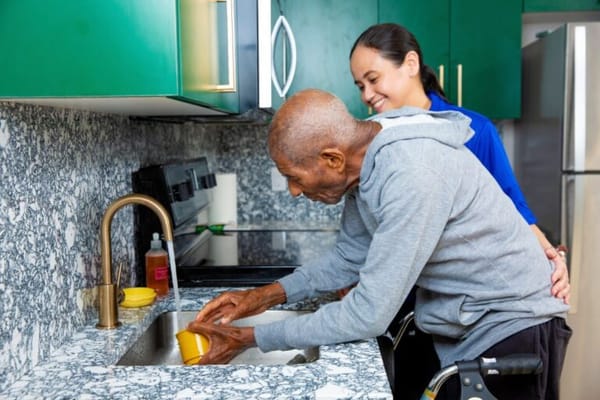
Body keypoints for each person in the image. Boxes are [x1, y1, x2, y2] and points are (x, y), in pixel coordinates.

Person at [188, 89, 571, 400]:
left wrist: (252, 338)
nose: (293, 191)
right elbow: (349, 256)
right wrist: (263, 296)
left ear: (333, 159)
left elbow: (367, 314)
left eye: (294, 176)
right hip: (468, 323)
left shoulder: (411, 175)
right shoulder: (365, 154)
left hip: (511, 329)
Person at [348, 23, 571, 398]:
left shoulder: (472, 131)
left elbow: (516, 213)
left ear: (411, 63)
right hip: (406, 311)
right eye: (360, 86)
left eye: (373, 79)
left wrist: (552, 259)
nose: (367, 95)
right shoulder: (373, 140)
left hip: (472, 323)